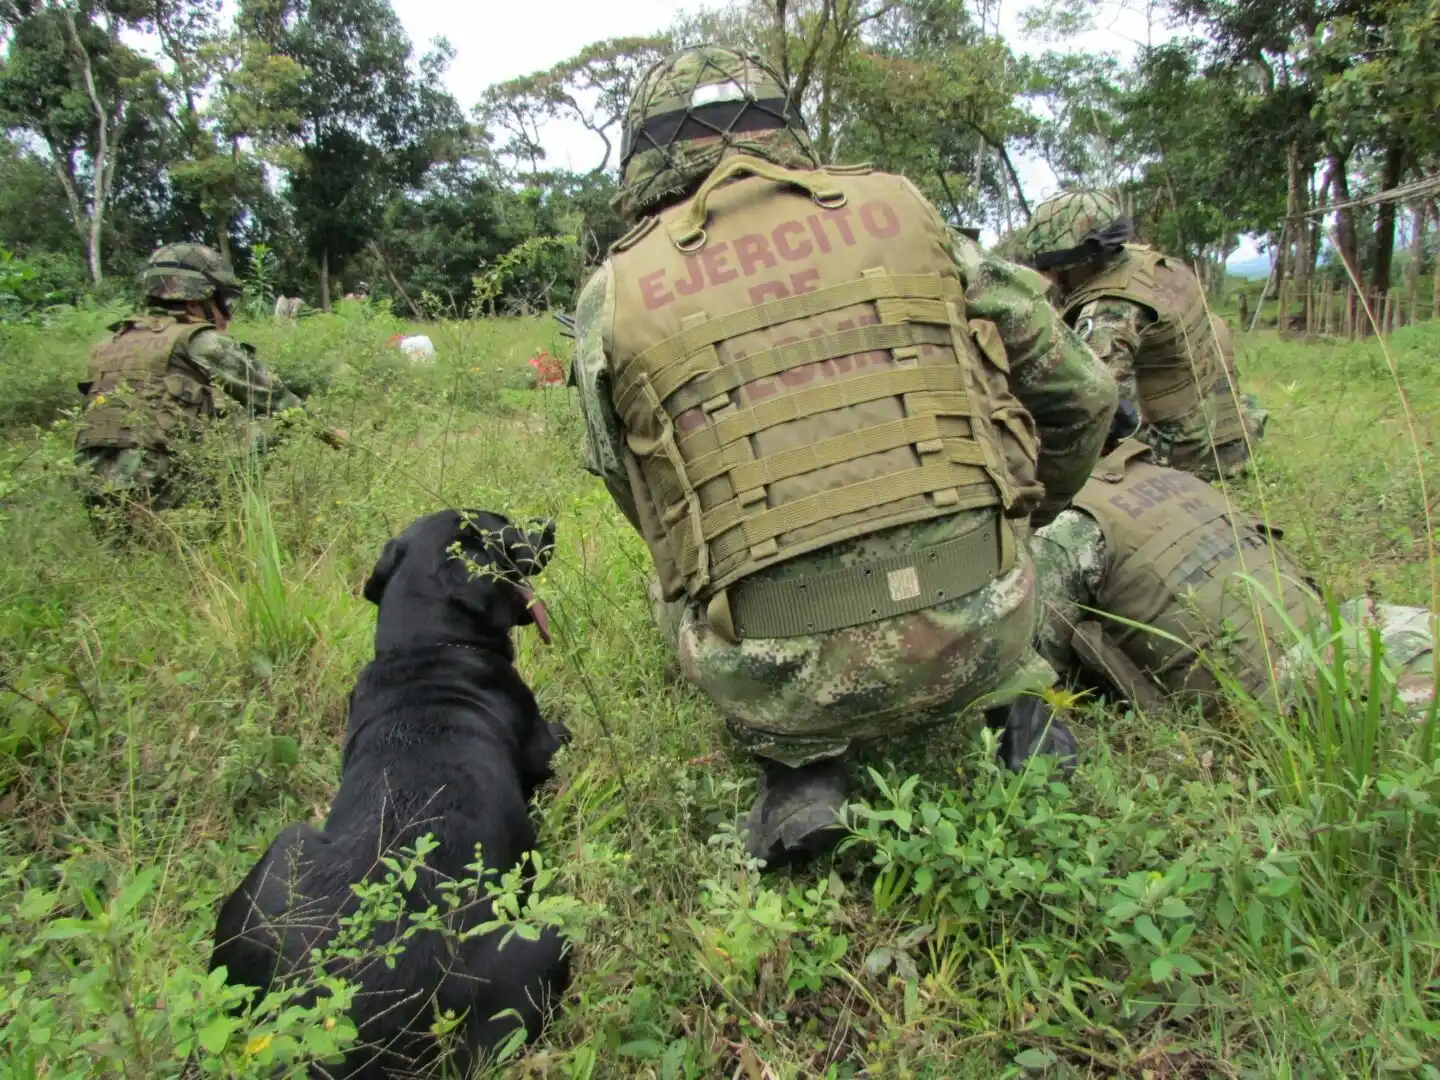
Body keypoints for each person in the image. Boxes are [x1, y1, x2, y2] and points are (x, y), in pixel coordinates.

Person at [571, 44, 1118, 866]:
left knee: (671, 579)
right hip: (984, 611)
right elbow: (1085, 393)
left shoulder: (615, 292)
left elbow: (636, 496)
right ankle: (1013, 704)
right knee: (984, 545)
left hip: (770, 661)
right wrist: (1022, 519)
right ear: (780, 128)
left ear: (647, 155)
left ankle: (801, 760)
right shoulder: (903, 211)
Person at [1032, 430, 1436, 716]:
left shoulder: (1070, 527)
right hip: (1351, 639)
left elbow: (1029, 666)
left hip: (1286, 702)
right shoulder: (1178, 478)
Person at [1015, 190, 1264, 480]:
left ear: (1076, 263)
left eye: (1053, 269)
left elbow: (1095, 412)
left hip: (1186, 457)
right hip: (1229, 431)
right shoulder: (1158, 267)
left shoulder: (1109, 312)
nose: (1052, 279)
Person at [75, 243, 317, 522]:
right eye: (223, 303)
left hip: (96, 499)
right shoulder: (199, 341)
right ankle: (232, 518)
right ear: (195, 301)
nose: (227, 314)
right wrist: (333, 435)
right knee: (269, 422)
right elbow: (276, 400)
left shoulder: (109, 344)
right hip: (157, 497)